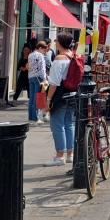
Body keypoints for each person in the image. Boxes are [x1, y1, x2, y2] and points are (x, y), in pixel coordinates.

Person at [45, 33, 77, 166]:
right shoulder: (72, 56)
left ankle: (59, 157)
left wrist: (48, 100)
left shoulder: (59, 58)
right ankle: (70, 154)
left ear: (61, 43)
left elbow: (54, 83)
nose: (55, 42)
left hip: (60, 95)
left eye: (56, 40)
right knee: (69, 124)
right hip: (72, 94)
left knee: (57, 125)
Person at [28, 41, 48, 125]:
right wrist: (44, 78)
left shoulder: (30, 55)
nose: (44, 52)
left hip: (31, 77)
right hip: (38, 77)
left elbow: (29, 66)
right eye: (44, 50)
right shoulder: (40, 56)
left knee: (32, 97)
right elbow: (42, 68)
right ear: (40, 48)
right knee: (37, 97)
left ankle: (31, 116)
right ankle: (36, 118)